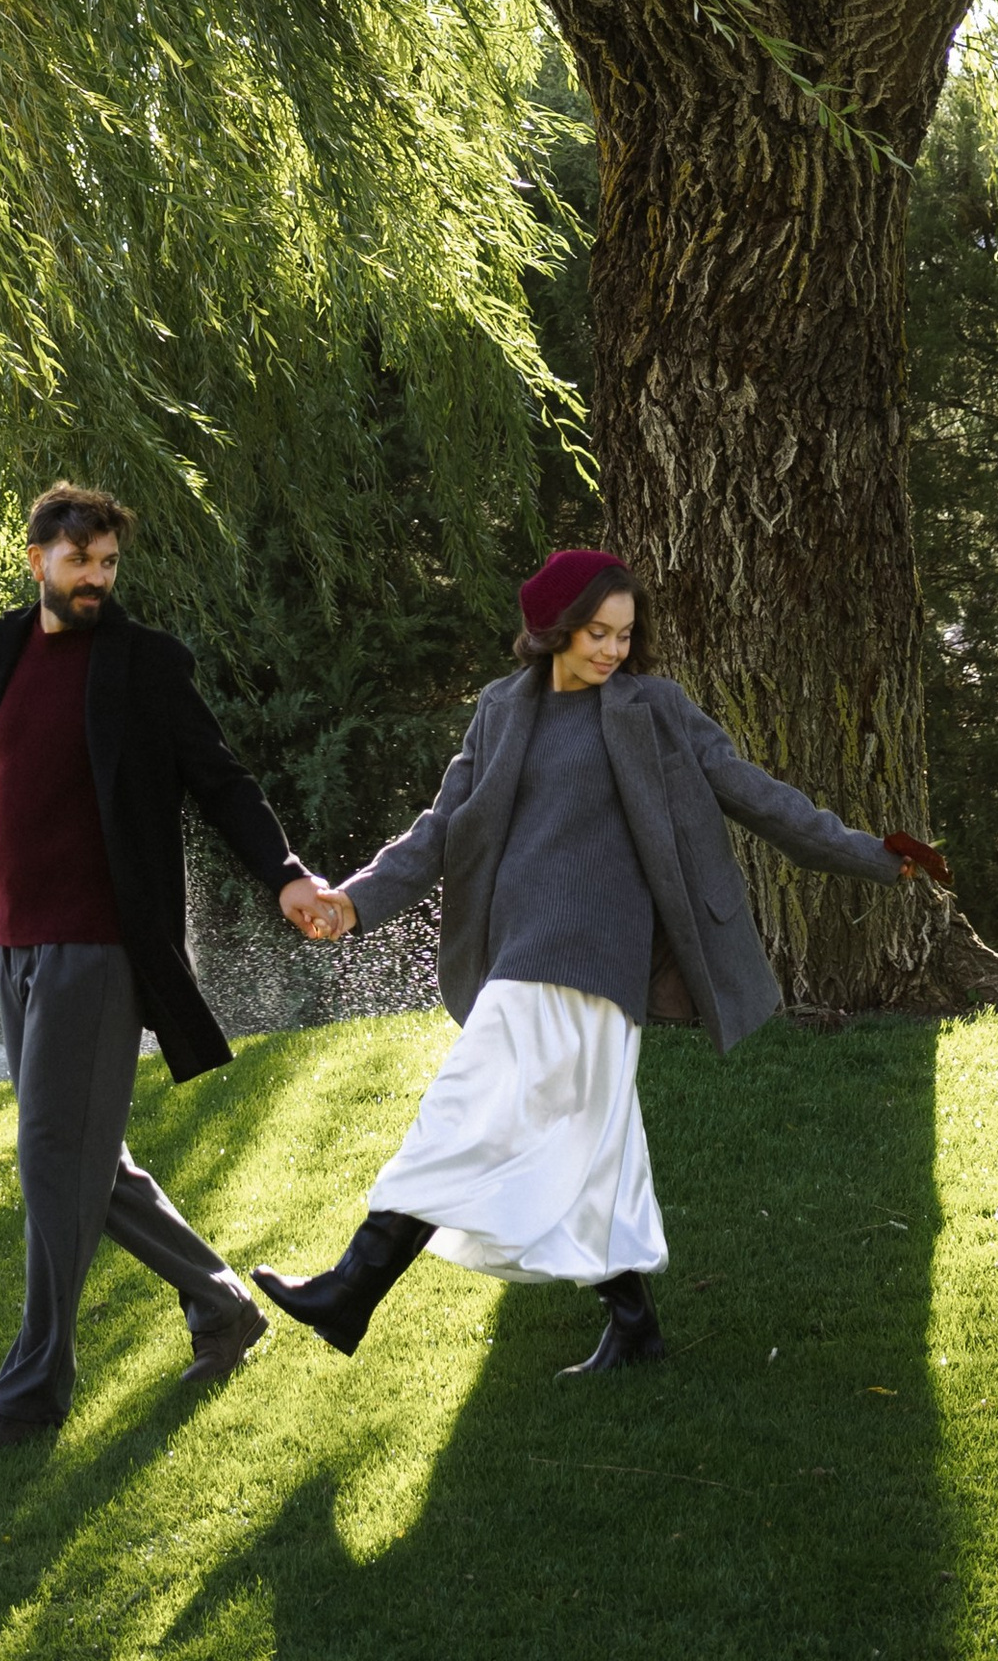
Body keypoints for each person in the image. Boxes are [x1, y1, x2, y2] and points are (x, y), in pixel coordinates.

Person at [254, 546, 952, 1378]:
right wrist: (356, 899)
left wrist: (876, 855)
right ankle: (634, 1326)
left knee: (465, 1105)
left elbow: (756, 795)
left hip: (591, 957)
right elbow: (440, 828)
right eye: (597, 632)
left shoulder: (655, 710)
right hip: (523, 948)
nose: (614, 650)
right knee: (596, 1143)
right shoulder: (501, 710)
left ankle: (349, 1291)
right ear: (552, 630)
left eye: (624, 634)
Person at [0, 481, 346, 1469]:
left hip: (99, 944)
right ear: (36, 557)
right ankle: (219, 1301)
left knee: (48, 1159)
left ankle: (32, 1389)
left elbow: (221, 778)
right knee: (82, 1158)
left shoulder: (142, 664)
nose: (95, 579)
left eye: (108, 563)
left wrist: (284, 873)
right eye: (79, 561)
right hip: (17, 942)